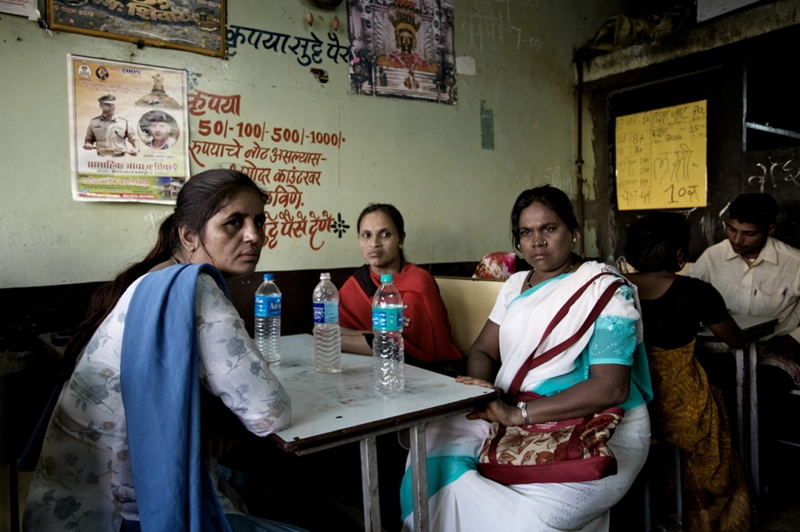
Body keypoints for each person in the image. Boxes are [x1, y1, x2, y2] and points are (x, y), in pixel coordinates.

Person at [23, 170, 303, 532]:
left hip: (63, 502)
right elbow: (270, 413)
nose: (254, 235)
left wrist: (215, 406)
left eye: (259, 221)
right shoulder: (194, 288)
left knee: (256, 483)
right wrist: (224, 408)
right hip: (120, 518)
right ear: (188, 235)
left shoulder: (154, 277)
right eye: (234, 223)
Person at [400, 186, 653, 531]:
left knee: (529, 521)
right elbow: (483, 350)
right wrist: (486, 394)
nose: (537, 241)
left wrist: (518, 414)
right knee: (431, 453)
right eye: (526, 232)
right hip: (512, 408)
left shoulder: (604, 290)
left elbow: (611, 389)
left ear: (574, 231)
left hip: (601, 422)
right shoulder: (516, 284)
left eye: (549, 228)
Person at [625, 212, 749, 531]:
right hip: (682, 411)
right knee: (717, 399)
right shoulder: (696, 292)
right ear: (681, 256)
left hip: (630, 403)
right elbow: (735, 340)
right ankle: (701, 506)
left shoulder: (614, 287)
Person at [687, 192, 800, 490]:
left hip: (772, 352)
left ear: (770, 230)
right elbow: (689, 300)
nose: (737, 240)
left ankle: (752, 477)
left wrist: (795, 337)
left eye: (749, 233)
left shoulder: (794, 262)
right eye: (731, 229)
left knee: (760, 396)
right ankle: (718, 477)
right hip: (718, 351)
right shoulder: (712, 256)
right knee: (711, 395)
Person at [339, 203, 464, 373]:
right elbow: (323, 330)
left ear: (401, 239)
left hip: (425, 373)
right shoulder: (358, 283)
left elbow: (392, 346)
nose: (374, 243)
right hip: (372, 371)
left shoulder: (418, 282)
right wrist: (375, 331)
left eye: (385, 234)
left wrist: (345, 338)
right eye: (366, 235)